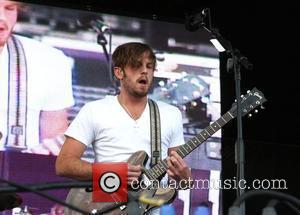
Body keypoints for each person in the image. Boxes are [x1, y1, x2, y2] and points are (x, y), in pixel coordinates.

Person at [56, 42, 192, 213]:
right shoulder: (95, 109)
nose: (145, 71)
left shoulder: (171, 114)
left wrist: (184, 180)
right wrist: (114, 172)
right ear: (119, 72)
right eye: (136, 65)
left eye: (149, 66)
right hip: (101, 206)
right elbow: (64, 164)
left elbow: (174, 182)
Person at [0, 0, 74, 155]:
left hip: (19, 174)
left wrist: (49, 151)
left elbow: (55, 135)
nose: (2, 18)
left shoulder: (49, 60)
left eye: (9, 9)